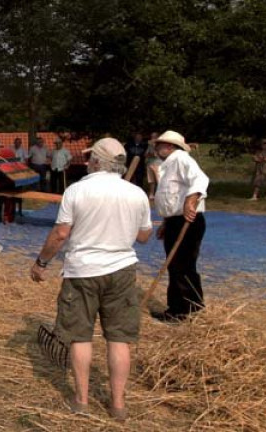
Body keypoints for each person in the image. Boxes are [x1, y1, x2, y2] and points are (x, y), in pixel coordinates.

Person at [31, 138, 153, 422]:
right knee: (119, 339)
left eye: (90, 159)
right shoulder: (136, 194)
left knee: (80, 336)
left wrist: (41, 263)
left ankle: (82, 400)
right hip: (121, 271)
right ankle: (118, 405)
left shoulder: (77, 190)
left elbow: (61, 234)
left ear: (98, 161)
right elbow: (144, 236)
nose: (86, 163)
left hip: (83, 271)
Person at [152, 130, 209, 322]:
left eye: (159, 145)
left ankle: (185, 310)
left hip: (187, 220)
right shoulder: (168, 165)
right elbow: (172, 195)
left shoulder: (181, 158)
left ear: (169, 146)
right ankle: (180, 308)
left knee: (181, 265)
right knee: (176, 265)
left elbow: (200, 180)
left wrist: (190, 202)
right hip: (176, 221)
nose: (156, 148)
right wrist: (167, 223)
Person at [145, 132, 162, 200]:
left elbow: (156, 155)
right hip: (150, 163)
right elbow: (146, 154)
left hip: (158, 164)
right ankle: (151, 194)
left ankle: (159, 194)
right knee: (151, 180)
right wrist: (150, 153)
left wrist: (151, 153)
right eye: (152, 137)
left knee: (159, 179)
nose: (152, 138)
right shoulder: (150, 145)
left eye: (154, 137)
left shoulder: (160, 145)